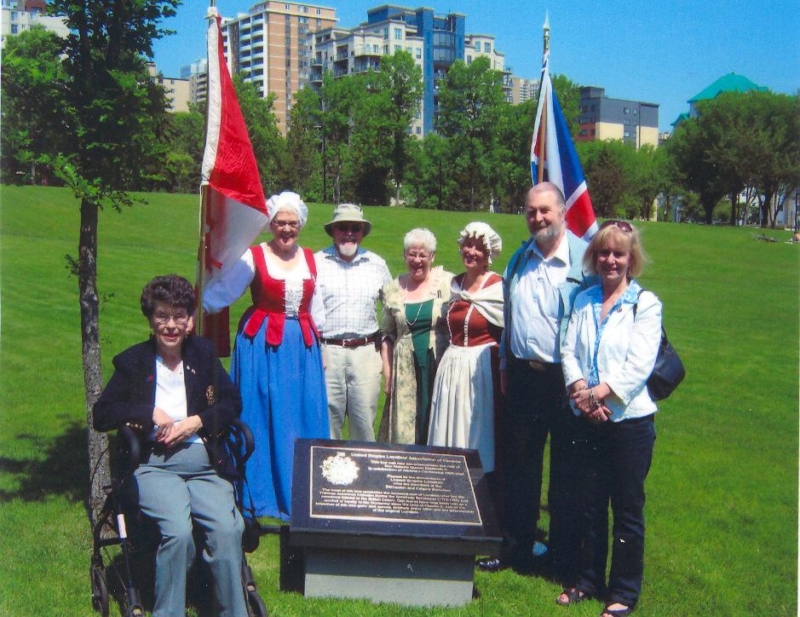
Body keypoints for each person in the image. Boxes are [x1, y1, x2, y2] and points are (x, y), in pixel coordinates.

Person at [93, 275, 247, 617]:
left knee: (227, 529)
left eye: (179, 316)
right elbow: (102, 414)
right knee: (177, 532)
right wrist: (148, 413)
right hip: (154, 465)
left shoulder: (203, 354)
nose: (171, 325)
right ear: (150, 319)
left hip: (203, 463)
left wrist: (198, 421)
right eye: (162, 316)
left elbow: (232, 401)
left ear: (190, 320)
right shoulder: (133, 362)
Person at [479, 183, 597, 580]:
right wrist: (506, 368)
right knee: (520, 470)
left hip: (566, 381)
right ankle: (516, 546)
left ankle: (563, 557)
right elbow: (512, 319)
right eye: (531, 211)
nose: (538, 218)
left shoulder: (585, 261)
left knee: (567, 473)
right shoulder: (519, 259)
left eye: (545, 210)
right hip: (525, 378)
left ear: (563, 212)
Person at [556, 220, 661, 617]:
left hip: (629, 422)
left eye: (619, 253)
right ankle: (587, 580)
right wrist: (581, 392)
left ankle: (623, 592)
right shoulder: (583, 299)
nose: (610, 260)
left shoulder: (644, 304)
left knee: (627, 510)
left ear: (631, 259)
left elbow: (639, 365)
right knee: (589, 504)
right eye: (603, 252)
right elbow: (569, 351)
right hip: (586, 417)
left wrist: (601, 395)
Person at [203, 191, 328, 521]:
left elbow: (319, 310)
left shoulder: (313, 260)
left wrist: (321, 349)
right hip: (262, 344)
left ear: (300, 223)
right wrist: (199, 300)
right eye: (280, 222)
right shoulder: (253, 257)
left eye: (292, 223)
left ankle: (303, 494)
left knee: (301, 413)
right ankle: (258, 492)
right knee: (261, 410)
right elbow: (223, 292)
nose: (286, 229)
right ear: (270, 223)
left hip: (302, 346)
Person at [427, 222, 503, 479]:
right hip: (452, 363)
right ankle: (447, 482)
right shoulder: (455, 284)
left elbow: (507, 332)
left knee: (476, 427)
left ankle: (479, 485)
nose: (471, 251)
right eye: (467, 245)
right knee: (447, 427)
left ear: (489, 254)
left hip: (480, 368)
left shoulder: (497, 288)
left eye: (478, 248)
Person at [315, 204, 391, 442]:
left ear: (362, 232)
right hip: (327, 353)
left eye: (355, 228)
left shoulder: (376, 264)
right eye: (343, 227)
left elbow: (392, 309)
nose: (349, 233)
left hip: (366, 353)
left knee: (364, 425)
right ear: (333, 231)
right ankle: (327, 477)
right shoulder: (316, 263)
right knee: (326, 425)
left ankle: (365, 478)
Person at [379, 228, 453, 445]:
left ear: (432, 257)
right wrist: (388, 373)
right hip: (404, 370)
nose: (417, 260)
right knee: (407, 428)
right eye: (412, 254)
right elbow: (386, 334)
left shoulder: (447, 283)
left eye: (423, 255)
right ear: (404, 255)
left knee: (435, 422)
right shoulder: (393, 289)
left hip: (437, 365)